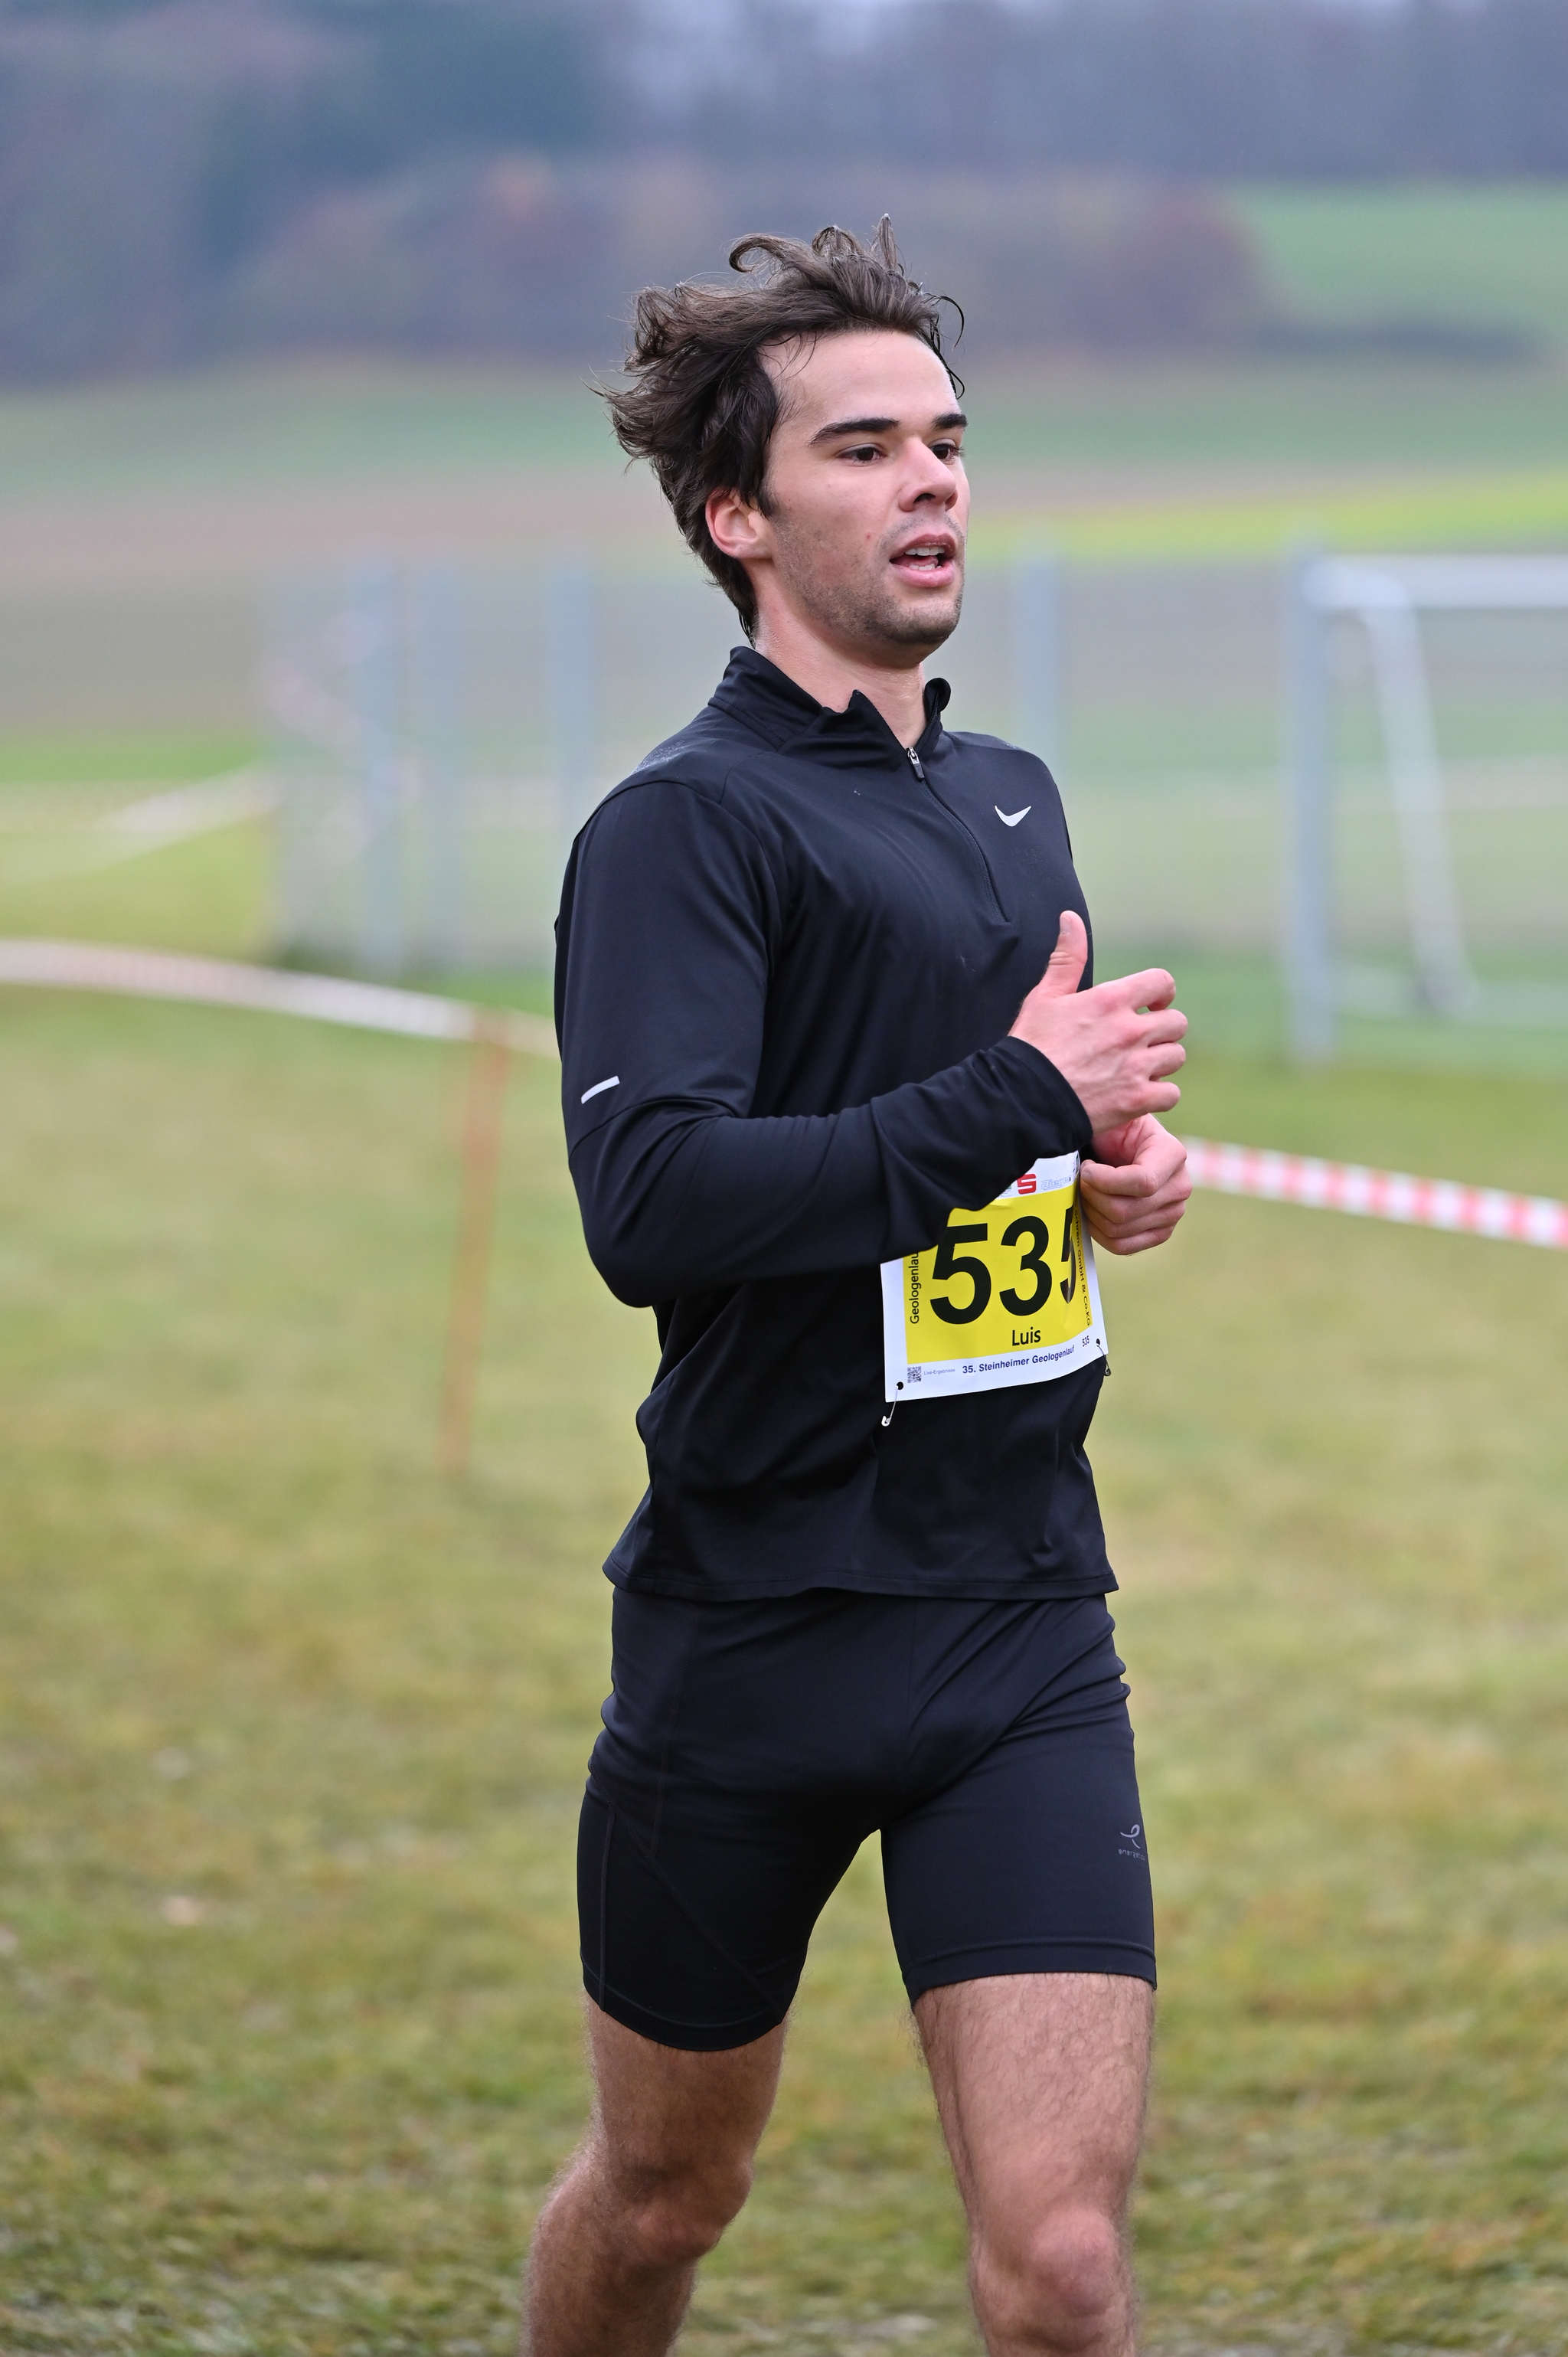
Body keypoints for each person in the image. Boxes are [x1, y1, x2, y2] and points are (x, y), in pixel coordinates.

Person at [532, 221, 1191, 2357]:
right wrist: (1020, 1091)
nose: (933, 483)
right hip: (755, 1625)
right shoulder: (684, 829)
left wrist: (1103, 1174)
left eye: (949, 442)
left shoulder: (1011, 798)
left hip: (1018, 1616)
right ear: (737, 515)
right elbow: (654, 1202)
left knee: (1065, 2268)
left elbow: (987, 1143)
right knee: (664, 2199)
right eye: (866, 447)